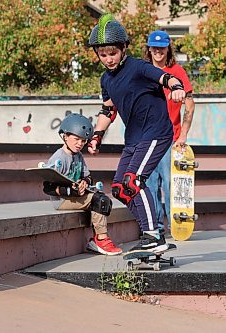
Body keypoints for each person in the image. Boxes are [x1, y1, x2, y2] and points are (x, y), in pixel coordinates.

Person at [86, 14, 186, 253]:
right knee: (121, 187)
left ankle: (153, 235)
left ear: (123, 48)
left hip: (156, 133)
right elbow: (108, 109)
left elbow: (166, 77)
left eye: (113, 53)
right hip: (134, 138)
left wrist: (177, 88)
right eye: (103, 54)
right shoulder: (106, 80)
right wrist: (97, 136)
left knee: (134, 181)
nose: (109, 59)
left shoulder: (138, 67)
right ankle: (150, 233)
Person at [42, 113, 122, 255]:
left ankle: (97, 240)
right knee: (99, 201)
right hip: (62, 201)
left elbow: (88, 176)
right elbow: (47, 188)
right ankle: (101, 239)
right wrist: (70, 191)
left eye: (84, 141)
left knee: (104, 200)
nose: (80, 144)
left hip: (74, 197)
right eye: (76, 139)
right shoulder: (58, 158)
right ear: (65, 136)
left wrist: (85, 183)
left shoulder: (78, 156)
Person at [143, 30, 195, 232]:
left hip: (170, 138)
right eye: (154, 47)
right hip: (147, 139)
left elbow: (190, 105)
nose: (158, 51)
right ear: (149, 49)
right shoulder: (144, 71)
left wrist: (183, 135)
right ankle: (155, 227)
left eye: (161, 48)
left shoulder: (177, 72)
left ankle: (177, 225)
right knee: (149, 184)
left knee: (171, 184)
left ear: (167, 49)